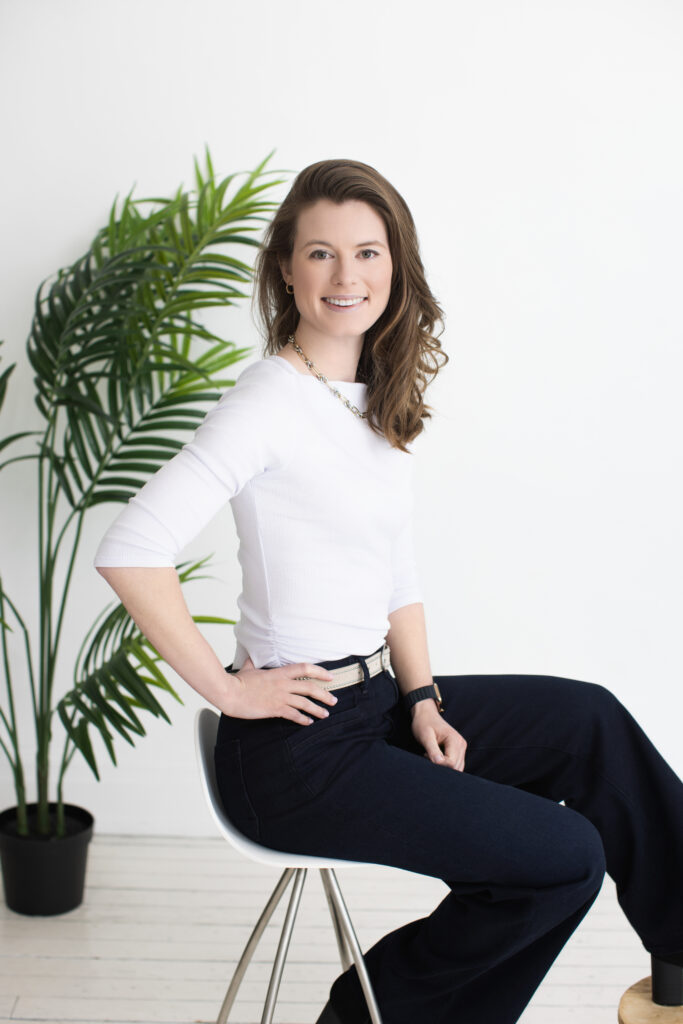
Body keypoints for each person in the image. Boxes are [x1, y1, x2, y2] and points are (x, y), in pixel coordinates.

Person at [94, 158, 683, 1024]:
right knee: (565, 855)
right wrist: (224, 689)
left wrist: (421, 698)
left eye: (367, 253)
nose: (346, 276)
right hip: (296, 754)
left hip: (373, 709)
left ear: (395, 267)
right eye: (322, 254)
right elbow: (131, 547)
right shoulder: (267, 401)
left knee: (588, 720)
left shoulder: (367, 402)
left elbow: (396, 576)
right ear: (286, 269)